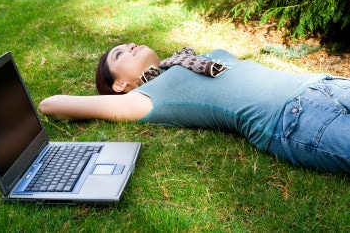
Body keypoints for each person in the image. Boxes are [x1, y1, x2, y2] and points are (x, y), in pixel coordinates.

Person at [39, 43, 350, 174]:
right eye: (120, 54)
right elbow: (51, 105)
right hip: (293, 119)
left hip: (321, 84)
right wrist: (106, 101)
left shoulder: (178, 62)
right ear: (120, 85)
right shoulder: (145, 98)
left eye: (128, 44)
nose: (130, 46)